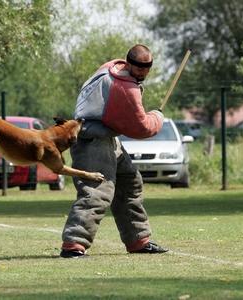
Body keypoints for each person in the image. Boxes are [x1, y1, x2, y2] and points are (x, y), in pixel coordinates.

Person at [60, 44, 168, 258]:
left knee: (130, 182)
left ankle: (138, 239)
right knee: (97, 190)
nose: (142, 75)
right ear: (129, 64)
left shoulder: (111, 67)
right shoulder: (125, 88)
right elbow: (142, 128)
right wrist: (158, 116)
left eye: (146, 70)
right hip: (92, 139)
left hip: (106, 137)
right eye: (138, 70)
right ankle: (73, 244)